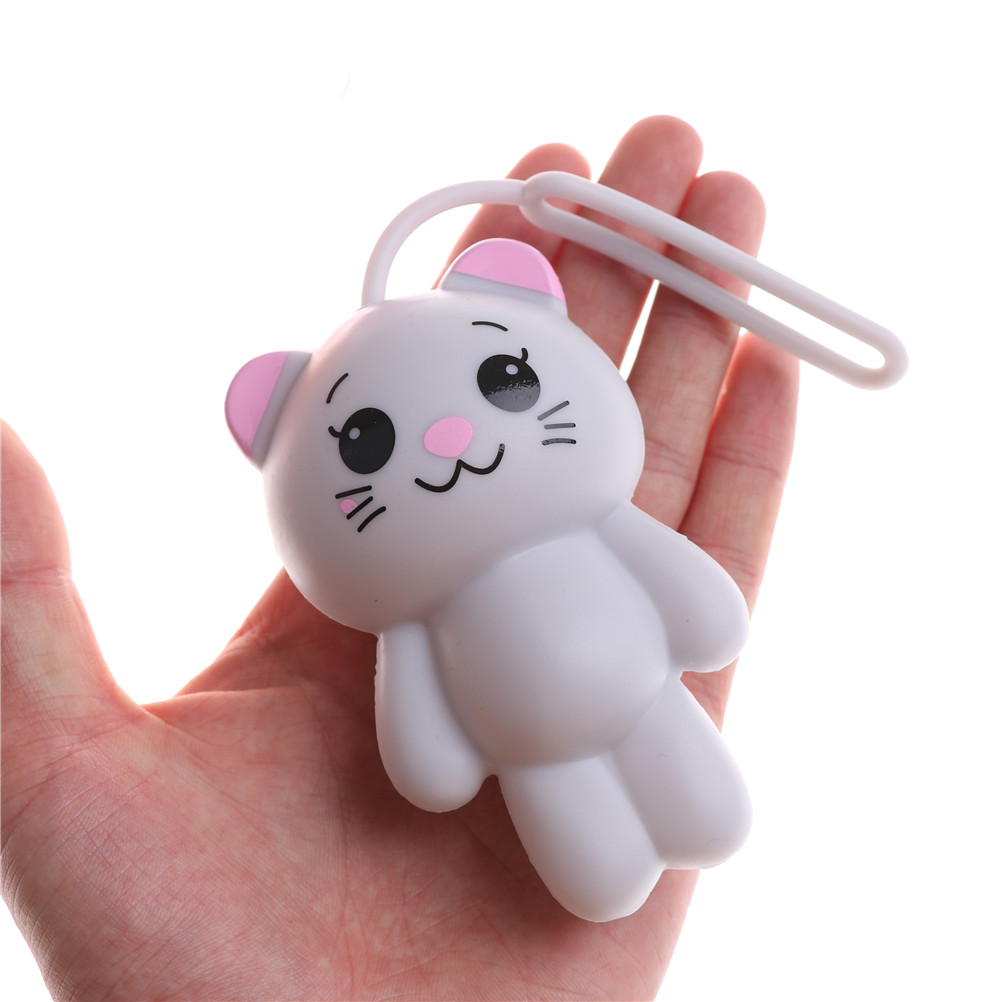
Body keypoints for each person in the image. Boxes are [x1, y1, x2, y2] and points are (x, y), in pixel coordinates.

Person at [1, 116, 799, 1001]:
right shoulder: (411, 606)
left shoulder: (592, 513)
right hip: (541, 762)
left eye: (503, 381)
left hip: (651, 700)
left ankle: (687, 808)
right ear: (270, 432)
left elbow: (694, 602)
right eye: (366, 442)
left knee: (711, 816)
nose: (450, 437)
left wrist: (703, 615)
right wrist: (437, 757)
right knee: (601, 876)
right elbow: (425, 757)